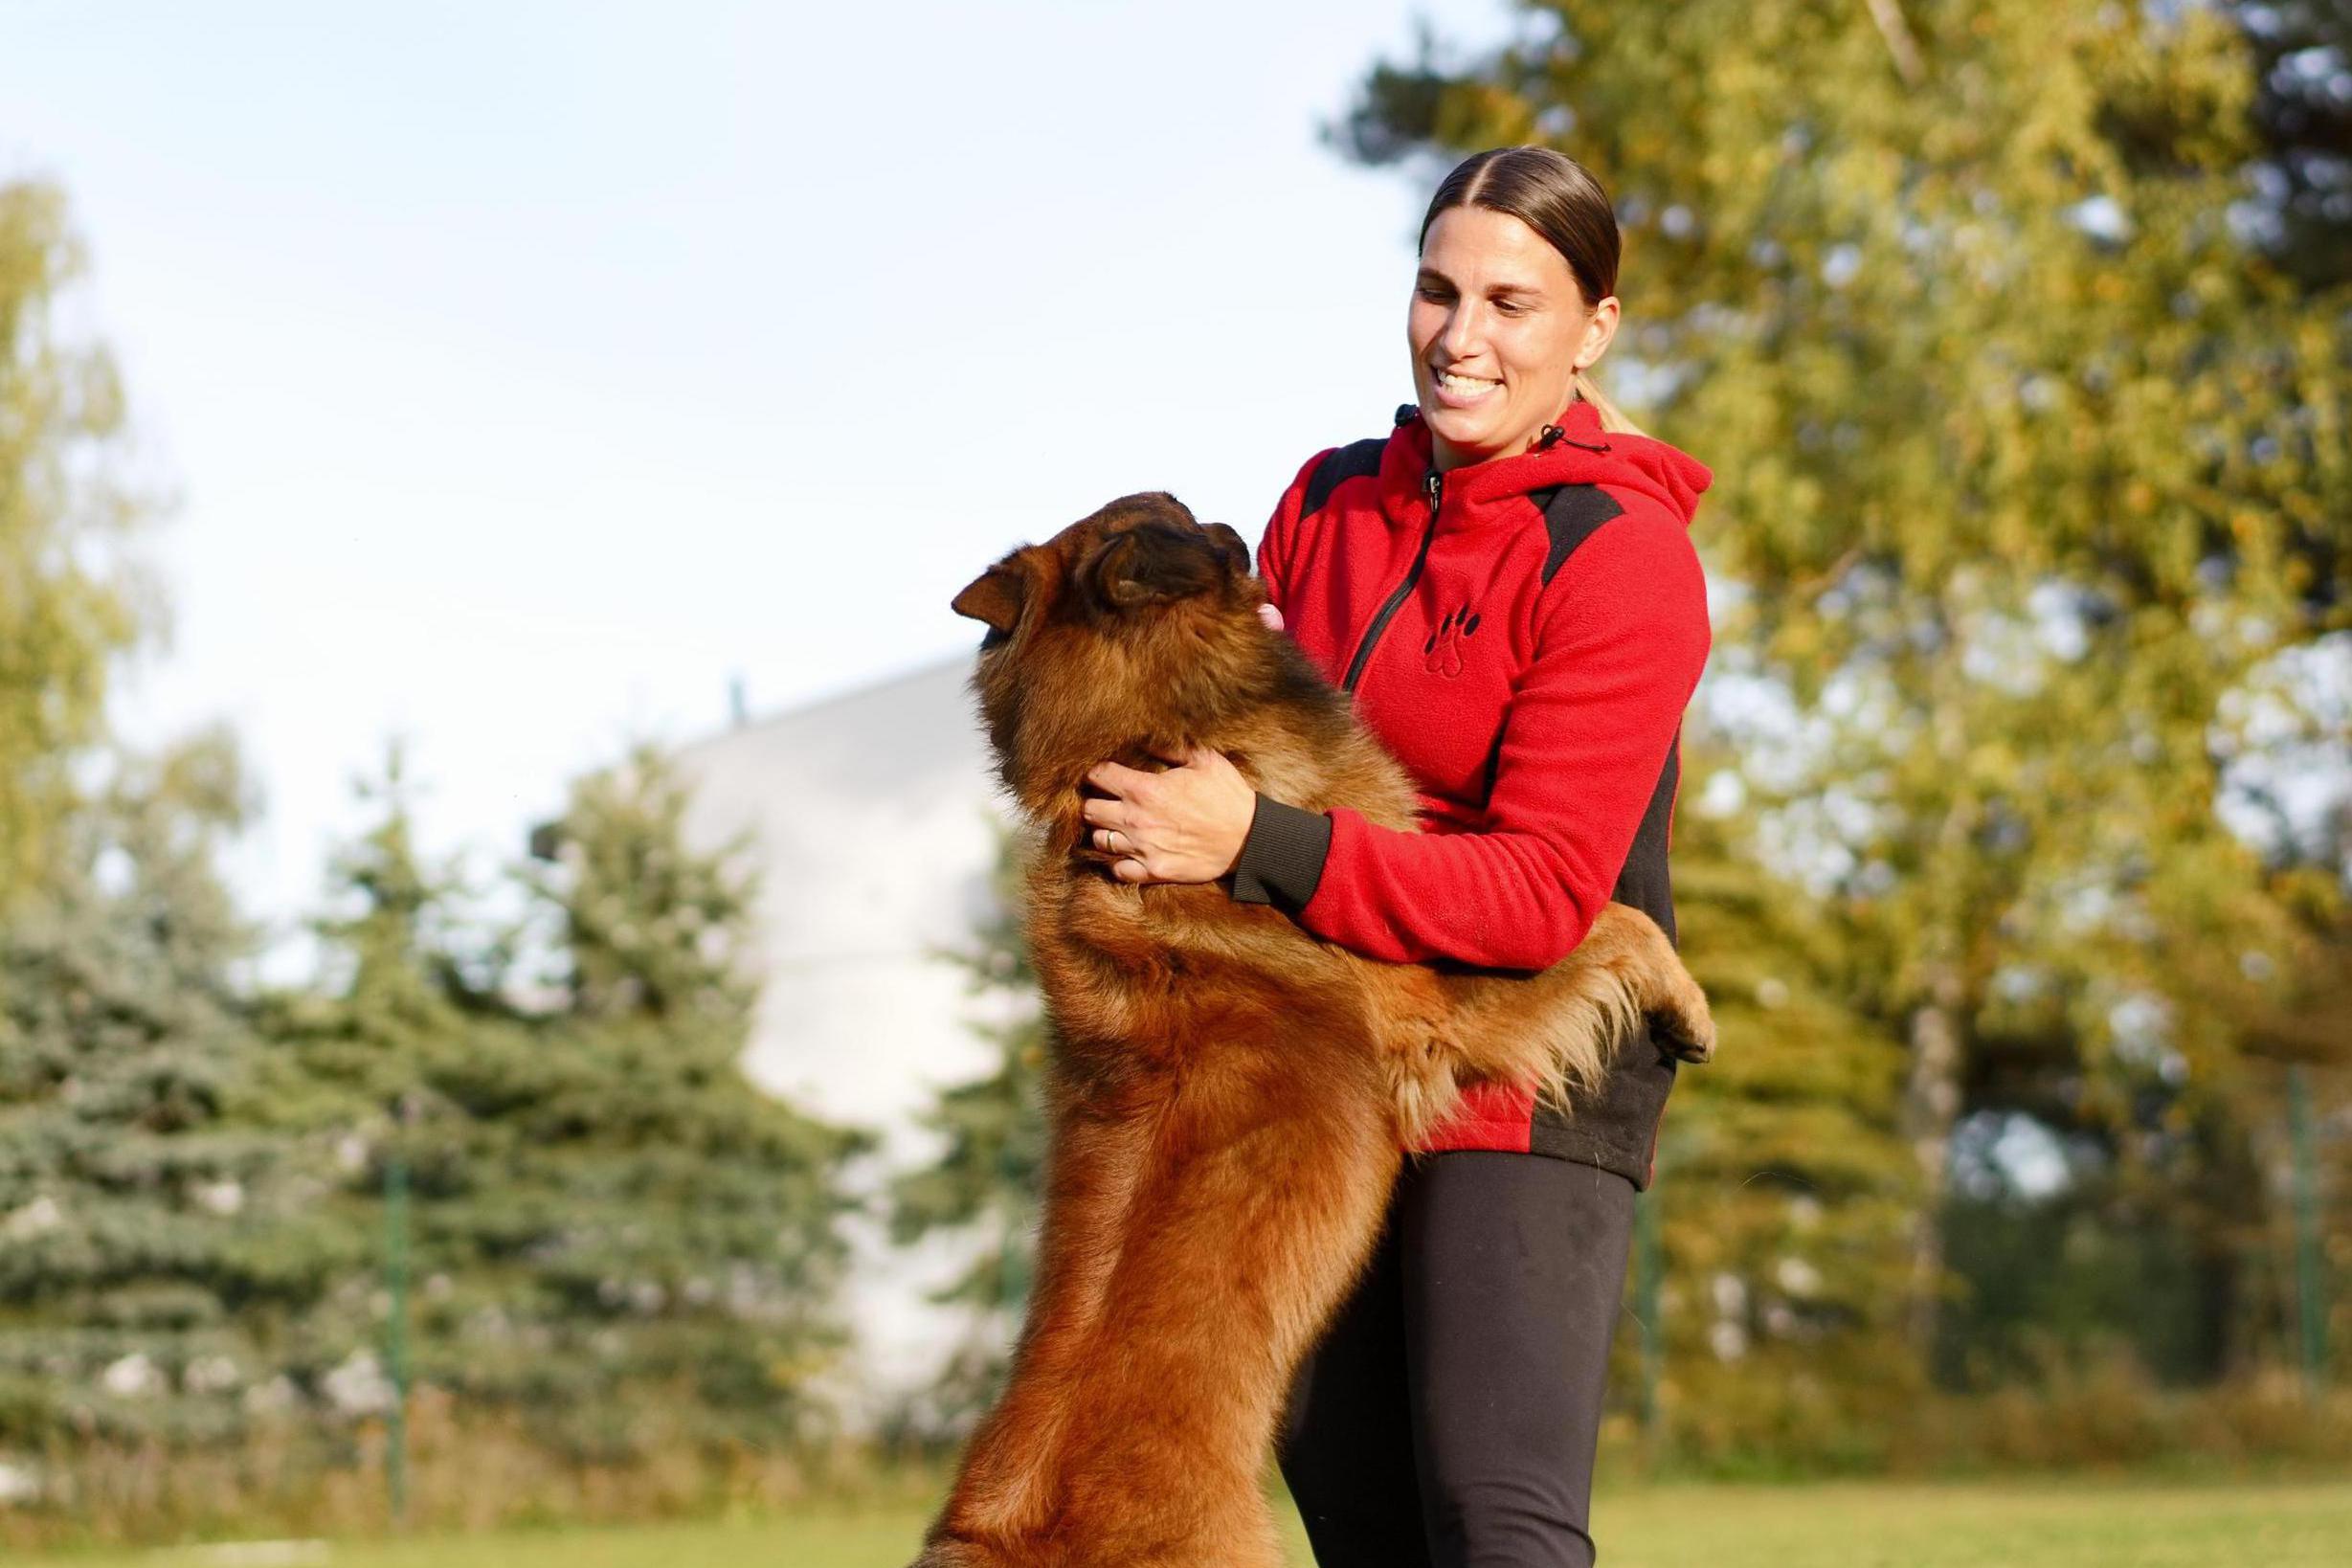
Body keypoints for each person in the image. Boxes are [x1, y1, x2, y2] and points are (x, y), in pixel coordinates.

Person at [1076, 145, 1713, 1568]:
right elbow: (1235, 735)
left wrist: (1259, 842)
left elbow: (1544, 893)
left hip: (1528, 1053)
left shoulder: (1621, 556)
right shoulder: (1326, 501)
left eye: (1510, 302)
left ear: (1592, 330)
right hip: (1327, 1062)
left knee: (1491, 1509)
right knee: (1354, 1511)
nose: (1460, 337)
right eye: (1435, 290)